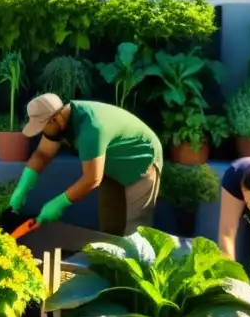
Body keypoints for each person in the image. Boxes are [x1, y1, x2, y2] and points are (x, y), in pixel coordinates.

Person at [9, 93, 163, 235]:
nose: (43, 133)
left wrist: (58, 203)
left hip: (140, 163)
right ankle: (109, 264)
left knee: (135, 232)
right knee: (109, 229)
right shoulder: (61, 122)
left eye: (43, 127)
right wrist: (23, 187)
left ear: (55, 118)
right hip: (110, 167)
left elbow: (92, 178)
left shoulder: (91, 127)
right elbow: (43, 154)